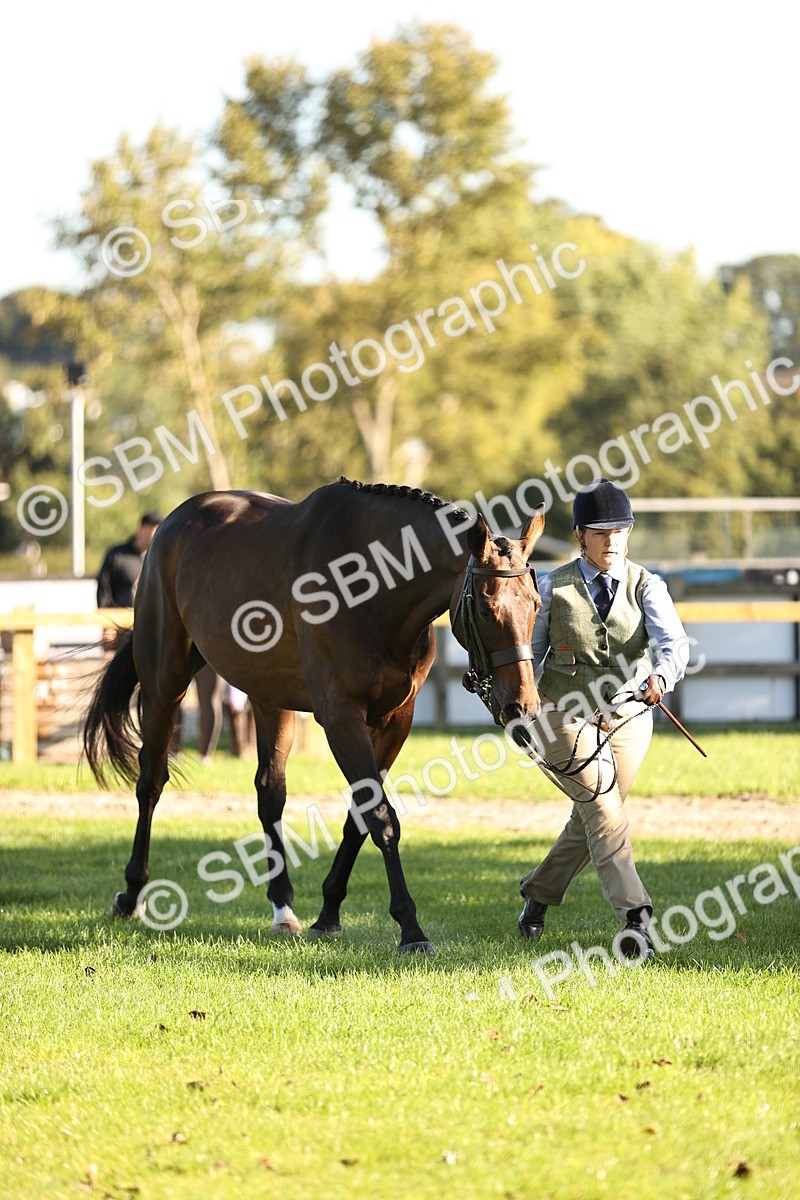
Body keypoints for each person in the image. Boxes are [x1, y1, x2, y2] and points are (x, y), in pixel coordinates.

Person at [517, 477, 688, 960]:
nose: (612, 541)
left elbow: (673, 645)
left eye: (620, 531)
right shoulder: (550, 587)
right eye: (600, 532)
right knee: (606, 809)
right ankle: (636, 921)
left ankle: (538, 893)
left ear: (630, 533)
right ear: (579, 536)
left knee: (595, 814)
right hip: (561, 714)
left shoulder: (648, 585)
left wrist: (662, 676)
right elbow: (529, 655)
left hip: (630, 716)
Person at [96, 512, 163, 654]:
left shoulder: (161, 558)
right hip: (121, 629)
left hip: (152, 629)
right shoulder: (117, 555)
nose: (158, 534)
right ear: (143, 528)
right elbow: (104, 591)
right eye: (154, 529)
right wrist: (107, 626)